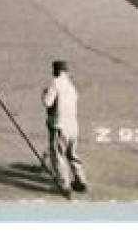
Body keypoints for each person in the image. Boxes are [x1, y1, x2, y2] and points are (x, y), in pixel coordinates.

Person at [41, 59, 87, 197]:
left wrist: (44, 94)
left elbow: (47, 103)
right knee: (72, 154)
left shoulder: (55, 83)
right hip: (73, 126)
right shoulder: (71, 87)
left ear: (55, 71)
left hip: (59, 126)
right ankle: (81, 180)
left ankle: (64, 186)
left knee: (58, 156)